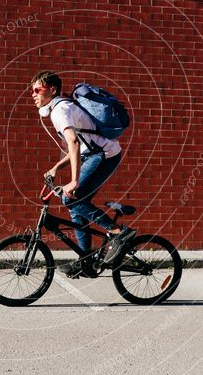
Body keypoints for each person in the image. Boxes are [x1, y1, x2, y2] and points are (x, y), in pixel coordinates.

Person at [30, 70, 135, 277]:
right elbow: (79, 146)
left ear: (52, 90)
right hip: (95, 154)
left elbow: (74, 143)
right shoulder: (61, 107)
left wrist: (74, 181)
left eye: (37, 90)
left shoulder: (60, 110)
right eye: (31, 90)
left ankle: (118, 233)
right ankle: (86, 259)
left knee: (73, 199)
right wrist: (56, 168)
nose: (33, 94)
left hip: (104, 154)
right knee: (74, 207)